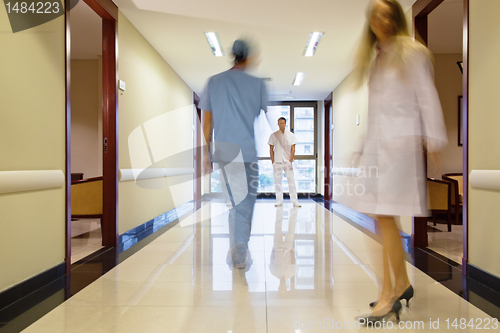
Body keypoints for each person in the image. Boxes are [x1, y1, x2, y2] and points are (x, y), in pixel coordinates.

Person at [350, 0, 448, 324]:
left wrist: (435, 141)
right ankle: (402, 284)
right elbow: (376, 113)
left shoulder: (411, 51)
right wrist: (362, 148)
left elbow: (427, 95)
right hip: (380, 148)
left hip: (401, 146)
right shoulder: (377, 60)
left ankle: (388, 295)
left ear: (395, 17)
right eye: (375, 14)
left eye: (387, 12)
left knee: (384, 215)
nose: (381, 19)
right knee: (383, 217)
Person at [200, 39, 268, 268]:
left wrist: (205, 154)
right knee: (245, 204)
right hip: (247, 152)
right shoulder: (258, 84)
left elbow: (207, 120)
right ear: (248, 57)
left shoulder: (214, 82)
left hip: (225, 153)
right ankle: (240, 251)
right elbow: (262, 116)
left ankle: (237, 249)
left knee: (235, 203)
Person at [269, 117, 301, 207]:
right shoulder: (273, 135)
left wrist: (290, 160)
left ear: (285, 123)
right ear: (277, 124)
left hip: (287, 162)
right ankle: (279, 200)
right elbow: (271, 149)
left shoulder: (290, 135)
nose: (281, 125)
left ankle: (295, 201)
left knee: (291, 181)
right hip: (277, 162)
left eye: (283, 123)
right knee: (277, 182)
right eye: (279, 123)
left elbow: (293, 148)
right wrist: (273, 161)